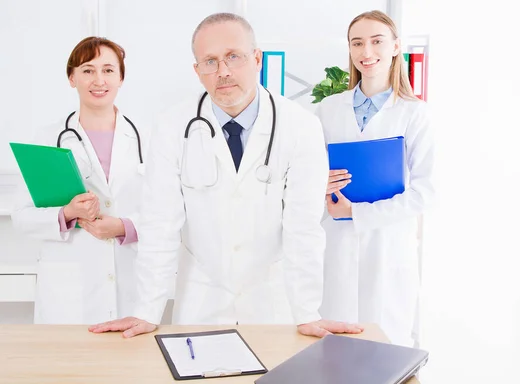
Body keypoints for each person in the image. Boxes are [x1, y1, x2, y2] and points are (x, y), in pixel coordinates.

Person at [88, 13, 363, 338]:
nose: (223, 71)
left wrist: (306, 311)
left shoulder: (301, 126)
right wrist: (148, 309)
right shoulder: (172, 125)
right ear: (197, 71)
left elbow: (303, 228)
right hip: (200, 296)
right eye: (210, 61)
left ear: (257, 59)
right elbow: (160, 224)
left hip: (273, 301)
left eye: (234, 56)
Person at [315, 10, 434, 346]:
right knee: (333, 354)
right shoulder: (327, 109)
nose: (366, 52)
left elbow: (426, 191)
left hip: (388, 248)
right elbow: (303, 176)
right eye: (357, 43)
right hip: (335, 246)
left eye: (377, 41)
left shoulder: (414, 113)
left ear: (396, 47)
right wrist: (317, 184)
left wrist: (357, 213)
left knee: (385, 352)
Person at [11, 37, 147, 324]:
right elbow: (21, 217)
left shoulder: (149, 139)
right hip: (70, 291)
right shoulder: (47, 140)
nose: (99, 79)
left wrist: (125, 226)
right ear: (72, 78)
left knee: (129, 367)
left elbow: (170, 215)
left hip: (131, 282)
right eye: (87, 70)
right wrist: (67, 213)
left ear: (121, 78)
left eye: (108, 70)